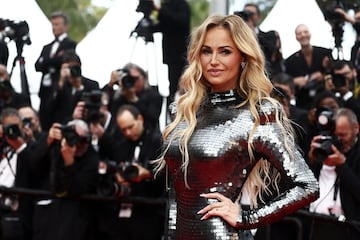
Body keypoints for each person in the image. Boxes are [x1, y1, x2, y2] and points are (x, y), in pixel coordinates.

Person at [153, 14, 319, 240]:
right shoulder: (183, 110)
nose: (213, 60)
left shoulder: (257, 114)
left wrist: (247, 218)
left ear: (243, 57)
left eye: (225, 51)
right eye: (206, 51)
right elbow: (176, 192)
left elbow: (307, 185)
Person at [95, 104, 165, 240]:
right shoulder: (120, 145)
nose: (127, 132)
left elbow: (166, 178)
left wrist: (147, 174)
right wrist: (118, 176)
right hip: (121, 212)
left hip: (148, 212)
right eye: (123, 130)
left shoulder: (158, 142)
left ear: (140, 119)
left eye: (130, 127)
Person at [30, 119, 99, 240]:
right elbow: (33, 166)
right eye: (74, 138)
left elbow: (77, 190)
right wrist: (48, 142)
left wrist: (69, 162)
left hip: (77, 220)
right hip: (49, 216)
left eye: (83, 140)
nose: (78, 145)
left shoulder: (92, 159)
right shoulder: (57, 146)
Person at [308, 108, 360, 240]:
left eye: (343, 135)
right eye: (335, 136)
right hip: (314, 224)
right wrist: (312, 160)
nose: (339, 141)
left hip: (348, 229)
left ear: (356, 128)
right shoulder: (324, 148)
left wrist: (341, 165)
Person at [35, 11, 77, 130]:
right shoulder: (47, 47)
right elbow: (37, 65)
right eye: (53, 24)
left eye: (57, 24)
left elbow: (65, 59)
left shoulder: (70, 44)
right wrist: (53, 60)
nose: (54, 28)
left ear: (65, 26)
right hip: (44, 92)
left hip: (59, 90)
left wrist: (46, 61)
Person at [39, 50, 99, 131]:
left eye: (74, 67)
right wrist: (60, 82)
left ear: (80, 66)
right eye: (68, 67)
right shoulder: (60, 87)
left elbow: (95, 108)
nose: (71, 71)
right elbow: (48, 110)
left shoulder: (92, 85)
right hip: (64, 129)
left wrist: (79, 86)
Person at [152, 0, 191, 108]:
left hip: (180, 53)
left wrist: (161, 9)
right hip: (170, 54)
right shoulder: (167, 5)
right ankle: (171, 108)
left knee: (181, 84)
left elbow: (180, 22)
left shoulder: (182, 5)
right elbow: (163, 25)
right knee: (172, 85)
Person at [285, 24, 332, 110]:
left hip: (324, 99)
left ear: (310, 34)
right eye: (299, 33)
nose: (303, 35)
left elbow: (333, 72)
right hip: (303, 103)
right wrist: (294, 81)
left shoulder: (325, 53)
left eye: (305, 32)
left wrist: (323, 75)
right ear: (296, 37)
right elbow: (285, 80)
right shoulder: (290, 61)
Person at [104, 62, 162, 130]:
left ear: (143, 77)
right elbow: (104, 105)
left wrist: (134, 99)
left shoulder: (153, 96)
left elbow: (152, 119)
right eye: (128, 78)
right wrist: (110, 85)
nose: (132, 82)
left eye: (135, 78)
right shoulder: (119, 96)